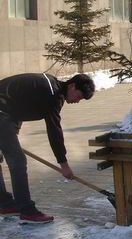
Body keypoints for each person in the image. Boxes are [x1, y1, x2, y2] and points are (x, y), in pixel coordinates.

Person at [0, 73, 95, 224]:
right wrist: (64, 164)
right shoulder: (52, 94)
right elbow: (54, 131)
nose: (77, 101)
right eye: (79, 96)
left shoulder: (52, 87)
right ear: (72, 86)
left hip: (5, 113)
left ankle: (4, 204)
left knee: (11, 157)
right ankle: (27, 211)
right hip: (2, 114)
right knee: (18, 162)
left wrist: (13, 132)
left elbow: (19, 103)